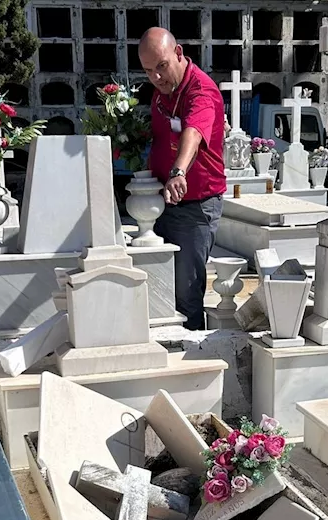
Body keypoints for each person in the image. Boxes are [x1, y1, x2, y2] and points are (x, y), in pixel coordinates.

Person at [139, 27, 226, 331]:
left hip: (195, 206)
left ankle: (193, 361)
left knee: (186, 294)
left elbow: (194, 132)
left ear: (178, 54)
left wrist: (178, 172)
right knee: (162, 288)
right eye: (148, 71)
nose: (156, 77)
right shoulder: (162, 92)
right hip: (161, 202)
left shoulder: (201, 90)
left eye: (161, 66)